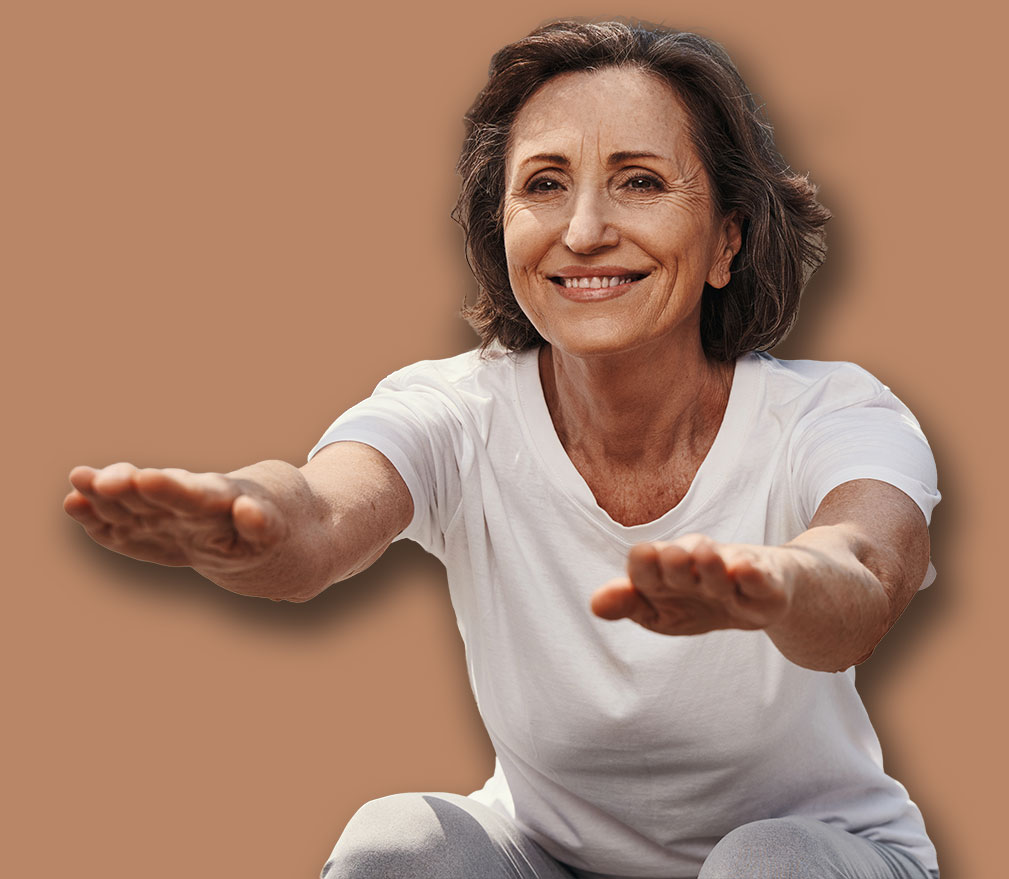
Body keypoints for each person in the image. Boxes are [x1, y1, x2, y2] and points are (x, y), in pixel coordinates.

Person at [63, 19, 941, 879]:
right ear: (503, 229)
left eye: (638, 182)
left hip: (820, 851)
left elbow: (865, 568)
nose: (585, 229)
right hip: (547, 854)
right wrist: (249, 519)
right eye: (545, 185)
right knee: (397, 845)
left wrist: (780, 581)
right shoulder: (457, 410)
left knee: (765, 863)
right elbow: (322, 510)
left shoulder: (835, 412)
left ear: (726, 240)